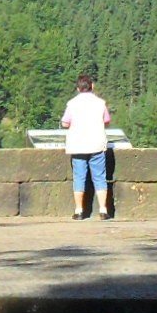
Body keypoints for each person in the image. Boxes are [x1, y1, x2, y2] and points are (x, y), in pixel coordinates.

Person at [60, 73, 112, 220]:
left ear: (78, 88)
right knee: (100, 177)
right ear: (92, 86)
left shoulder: (72, 104)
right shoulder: (100, 103)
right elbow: (107, 121)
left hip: (77, 145)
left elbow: (65, 123)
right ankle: (103, 210)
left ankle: (79, 211)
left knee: (79, 177)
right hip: (96, 143)